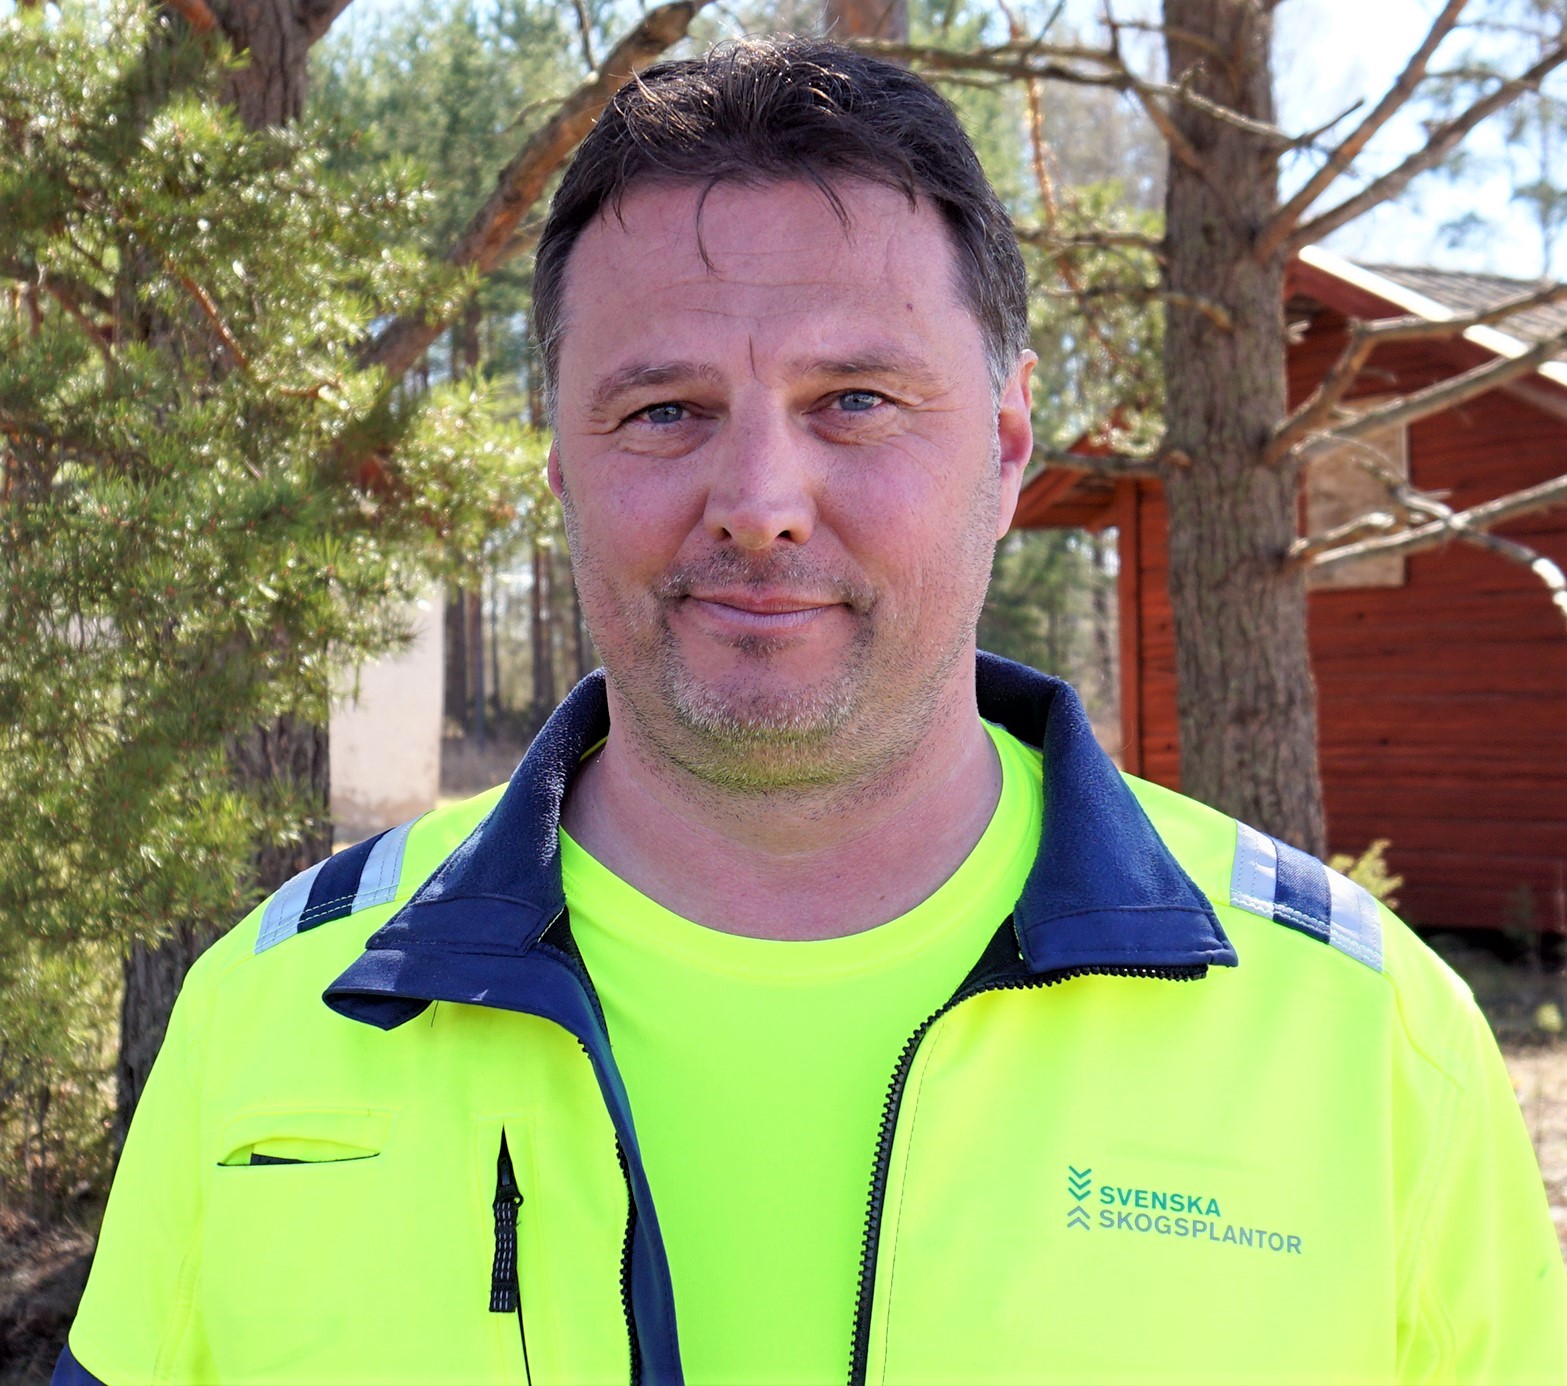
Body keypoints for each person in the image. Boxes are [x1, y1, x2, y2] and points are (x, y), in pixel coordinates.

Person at [58, 37, 1566, 1386]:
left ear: (1007, 440)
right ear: (558, 461)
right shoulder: (276, 1018)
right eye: (665, 410)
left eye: (855, 399)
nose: (760, 502)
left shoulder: (1370, 1046)